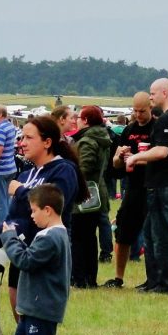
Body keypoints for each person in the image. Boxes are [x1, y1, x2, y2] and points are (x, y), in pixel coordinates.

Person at [0, 116, 82, 321]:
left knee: (35, 329)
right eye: (21, 138)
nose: (22, 143)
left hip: (44, 256)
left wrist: (21, 191)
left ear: (47, 142)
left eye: (29, 138)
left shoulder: (64, 169)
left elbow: (54, 205)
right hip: (20, 253)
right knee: (22, 329)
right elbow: (12, 221)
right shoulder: (25, 174)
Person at [1, 184, 70, 335]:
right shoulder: (48, 235)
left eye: (33, 210)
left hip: (42, 310)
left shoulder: (52, 238)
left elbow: (25, 261)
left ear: (48, 210)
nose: (31, 215)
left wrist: (9, 238)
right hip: (32, 309)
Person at [125, 78, 168, 294]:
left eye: (153, 93)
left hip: (163, 183)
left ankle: (163, 283)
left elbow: (162, 151)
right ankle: (153, 280)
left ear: (165, 93)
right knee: (151, 232)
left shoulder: (166, 120)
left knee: (158, 233)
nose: (150, 97)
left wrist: (135, 157)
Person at [103, 92, 155, 288]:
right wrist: (118, 157)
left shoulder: (156, 128)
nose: (139, 115)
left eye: (142, 111)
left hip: (151, 187)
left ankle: (153, 279)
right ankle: (118, 278)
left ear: (150, 107)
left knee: (151, 235)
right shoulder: (128, 130)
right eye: (135, 111)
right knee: (123, 233)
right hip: (132, 187)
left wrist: (137, 156)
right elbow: (116, 167)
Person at [70, 105, 112, 289]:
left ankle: (80, 278)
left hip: (85, 194)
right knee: (89, 238)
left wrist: (71, 179)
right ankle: (89, 278)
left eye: (79, 117)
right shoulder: (101, 137)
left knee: (79, 237)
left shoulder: (87, 141)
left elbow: (84, 169)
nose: (77, 120)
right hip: (97, 192)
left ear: (86, 120)